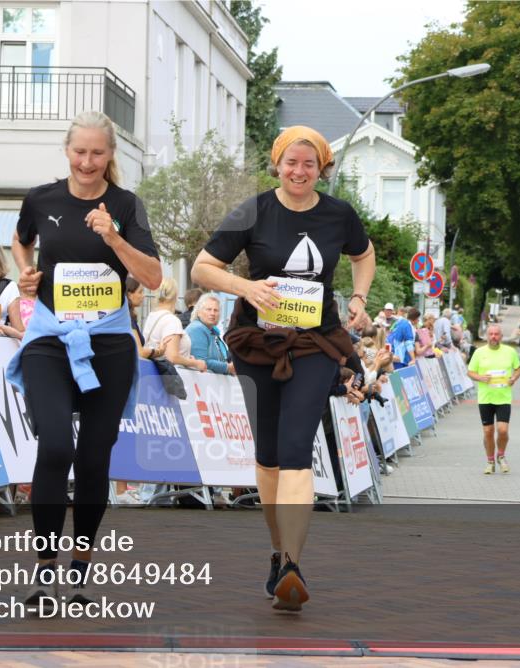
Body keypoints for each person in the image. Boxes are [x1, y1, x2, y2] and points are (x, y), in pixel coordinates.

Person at [191, 125, 375, 612]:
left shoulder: (338, 214)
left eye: (309, 164)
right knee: (268, 455)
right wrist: (245, 288)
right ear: (277, 164)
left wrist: (359, 298)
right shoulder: (253, 211)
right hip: (257, 345)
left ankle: (293, 564)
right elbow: (202, 267)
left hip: (316, 343)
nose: (299, 171)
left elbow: (364, 254)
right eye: (291, 162)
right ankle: (277, 552)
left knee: (296, 450)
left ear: (322, 169)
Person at [6, 110, 162, 609]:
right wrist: (26, 273)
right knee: (55, 447)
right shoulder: (42, 198)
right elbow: (21, 240)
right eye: (80, 152)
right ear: (67, 151)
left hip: (109, 342)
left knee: (94, 457)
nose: (87, 162)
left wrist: (113, 236)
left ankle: (79, 569)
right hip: (50, 338)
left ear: (110, 154)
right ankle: (44, 570)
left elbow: (153, 278)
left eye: (97, 153)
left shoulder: (126, 205)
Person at [466, 323, 520, 475]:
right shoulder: (479, 352)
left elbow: (518, 369)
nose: (493, 337)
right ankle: (490, 461)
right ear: (487, 336)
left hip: (503, 397)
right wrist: (480, 378)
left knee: (502, 430)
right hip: (485, 398)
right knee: (488, 431)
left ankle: (501, 456)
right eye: (491, 334)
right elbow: (470, 372)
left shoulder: (510, 352)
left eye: (496, 334)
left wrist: (513, 378)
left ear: (501, 336)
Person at [143, 278, 206, 371]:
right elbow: (172, 357)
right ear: (175, 297)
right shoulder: (172, 321)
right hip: (172, 375)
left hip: (153, 372)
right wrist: (196, 363)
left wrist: (187, 359)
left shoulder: (151, 316)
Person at [186, 293, 234, 375]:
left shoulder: (212, 331)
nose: (212, 313)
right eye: (208, 309)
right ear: (199, 312)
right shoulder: (197, 329)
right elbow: (201, 361)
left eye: (216, 310)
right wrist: (228, 367)